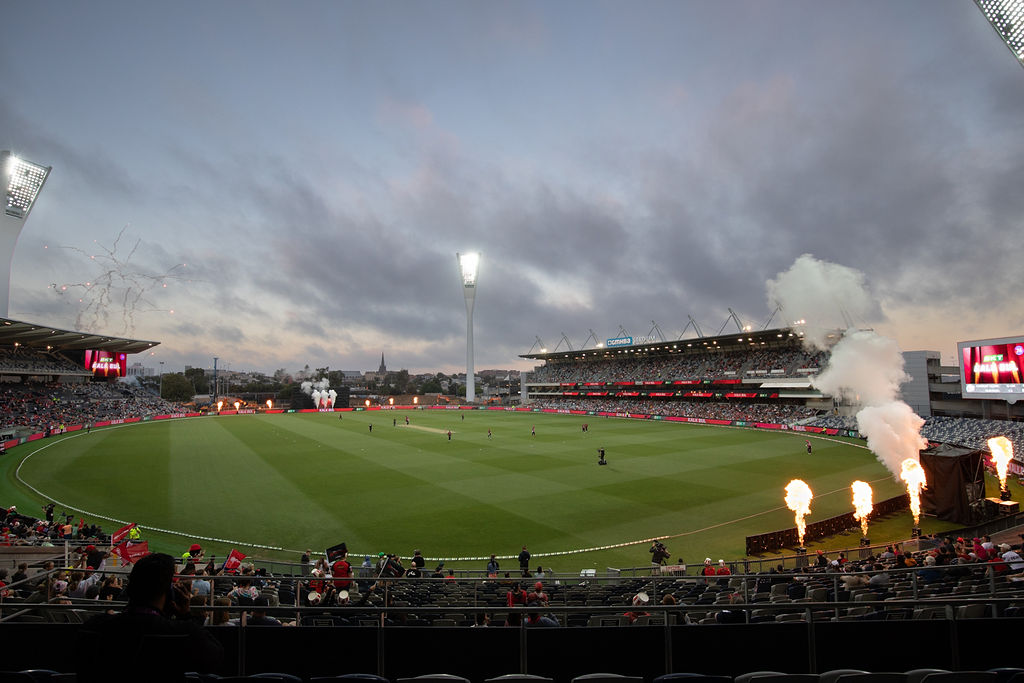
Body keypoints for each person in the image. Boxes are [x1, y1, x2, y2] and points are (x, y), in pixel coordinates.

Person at [76, 553, 223, 682]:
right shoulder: (181, 632)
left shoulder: (94, 626)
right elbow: (216, 659)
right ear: (169, 594)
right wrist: (185, 615)